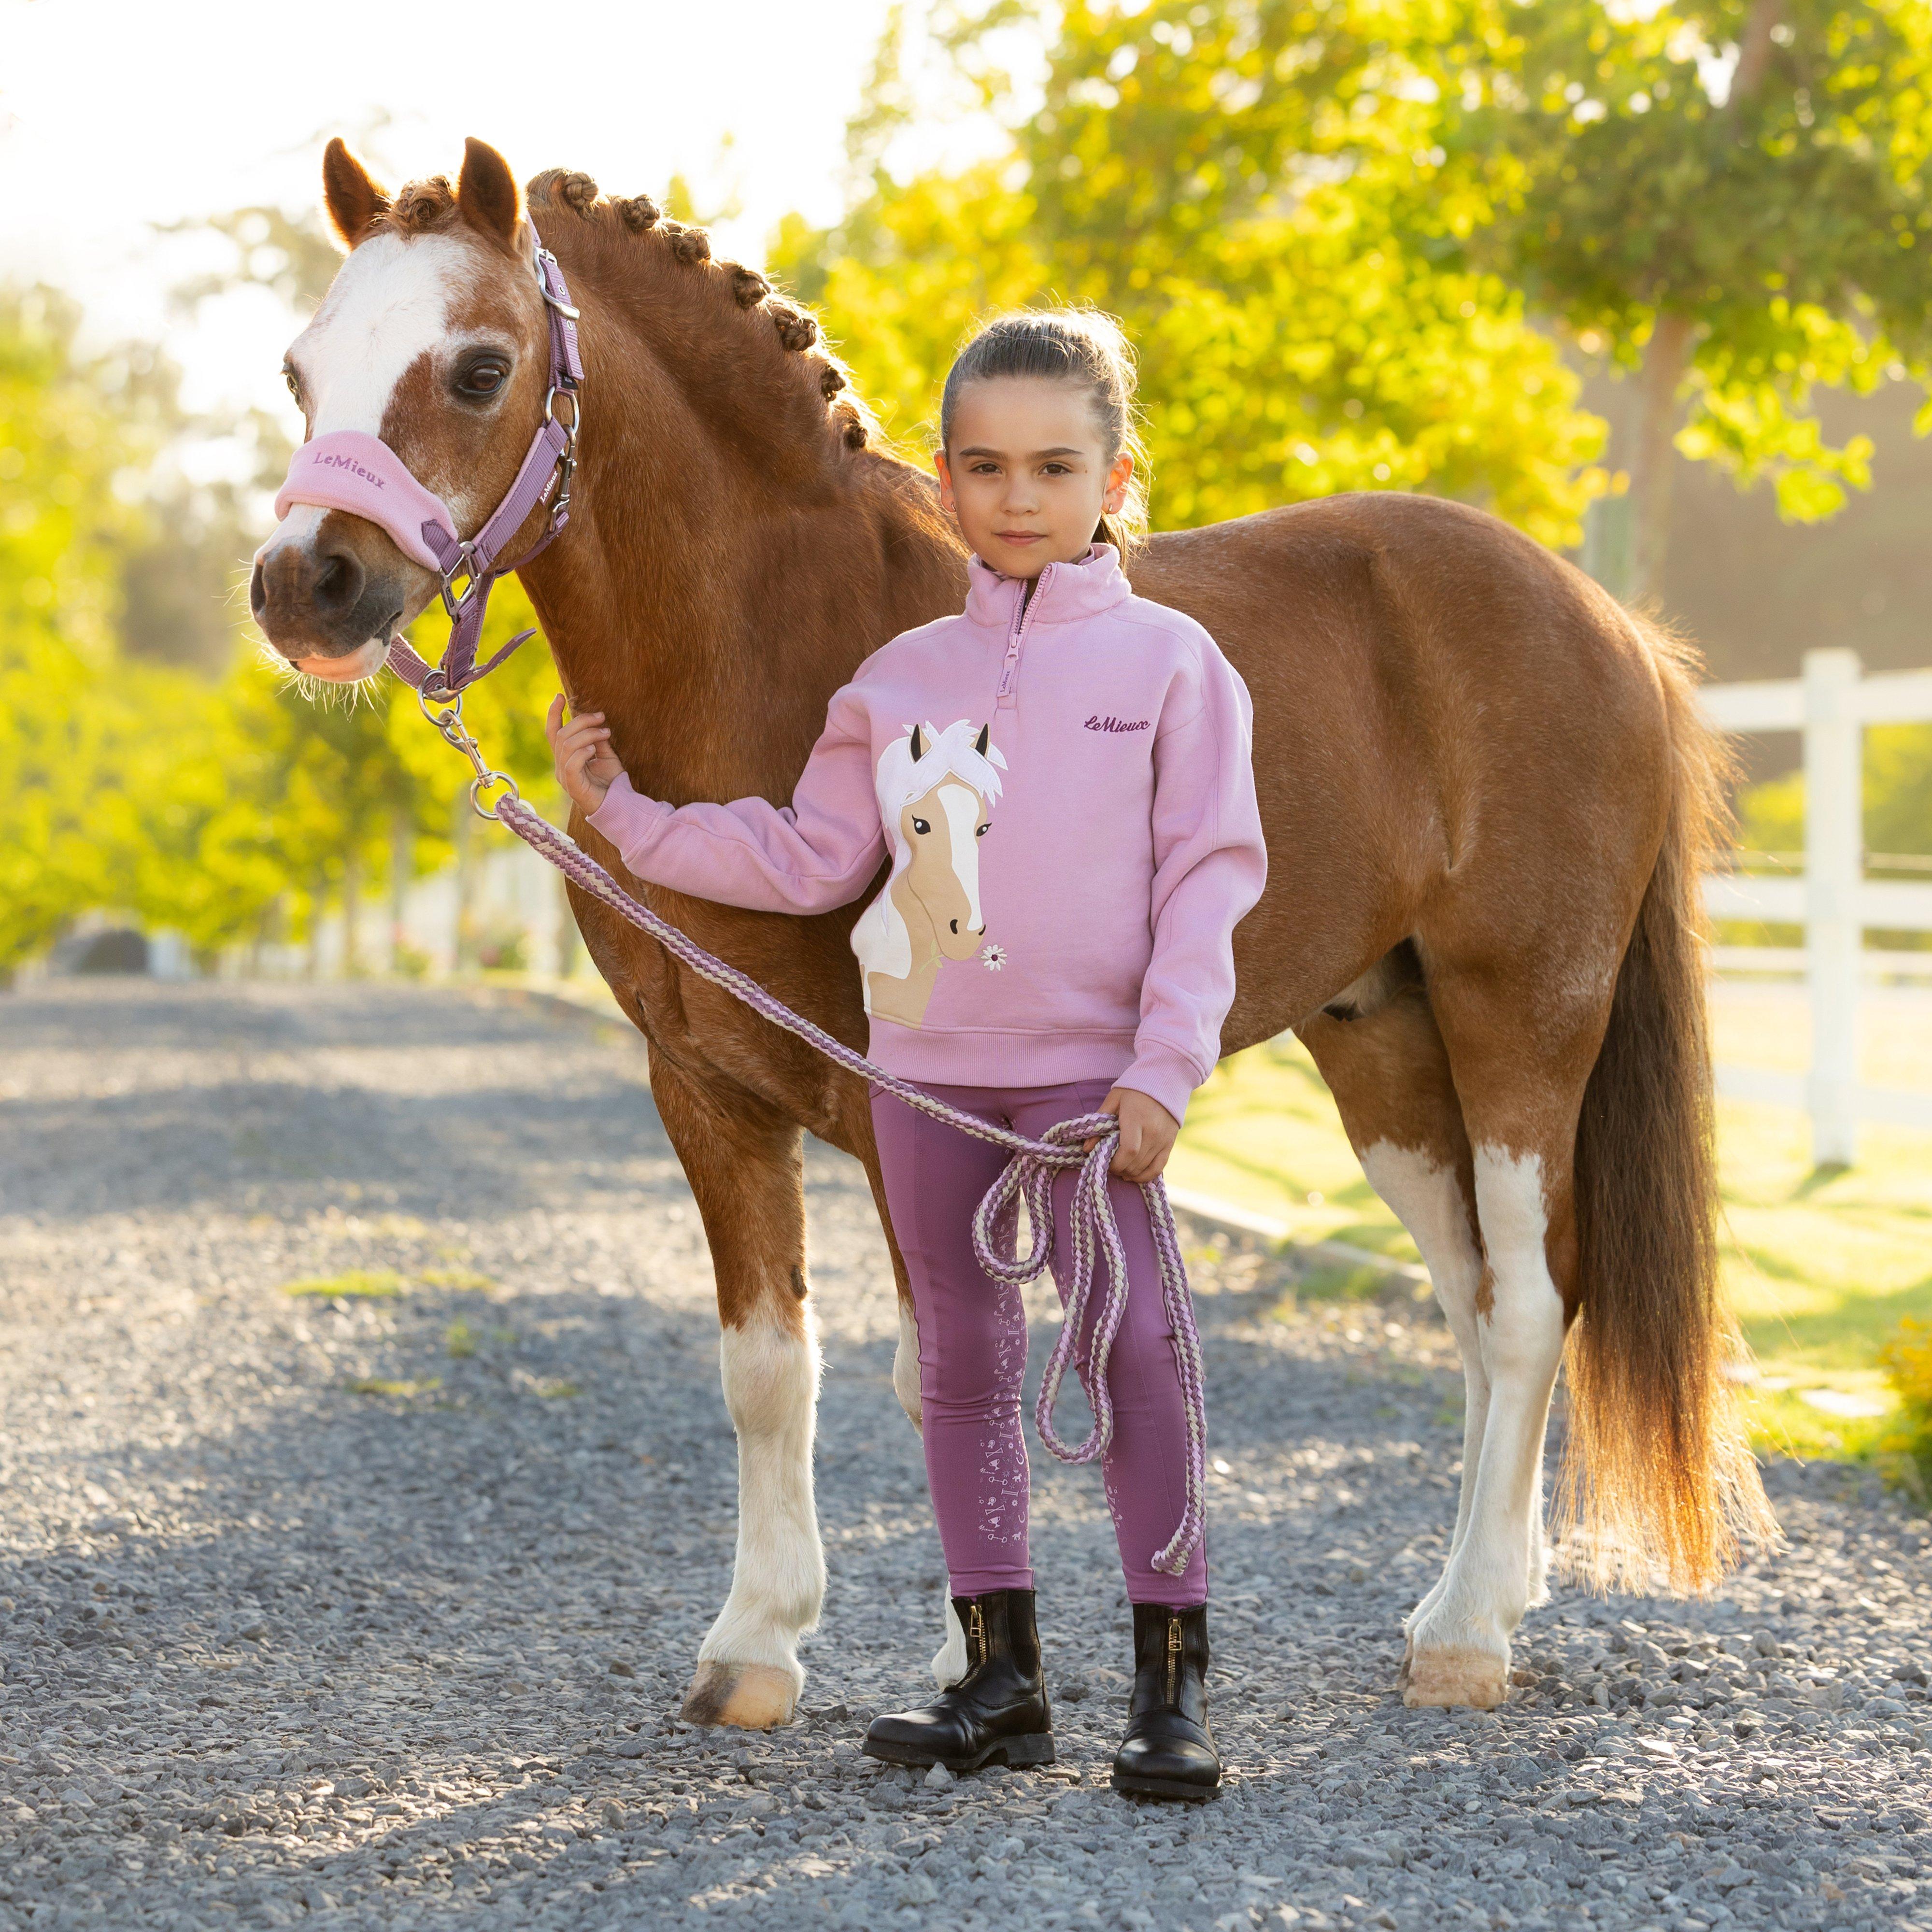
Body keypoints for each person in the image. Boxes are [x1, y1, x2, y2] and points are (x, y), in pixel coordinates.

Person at [546, 309, 1266, 1801]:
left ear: (1117, 478)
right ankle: (1001, 1680)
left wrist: (1163, 1069)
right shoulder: (897, 679)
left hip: (1089, 1088)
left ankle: (1172, 1686)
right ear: (942, 482)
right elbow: (808, 856)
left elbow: (1211, 878)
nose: (1019, 497)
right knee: (962, 1363)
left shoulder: (1175, 664)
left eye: (1055, 467)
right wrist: (619, 815)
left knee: (1138, 1352)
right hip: (928, 1077)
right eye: (985, 467)